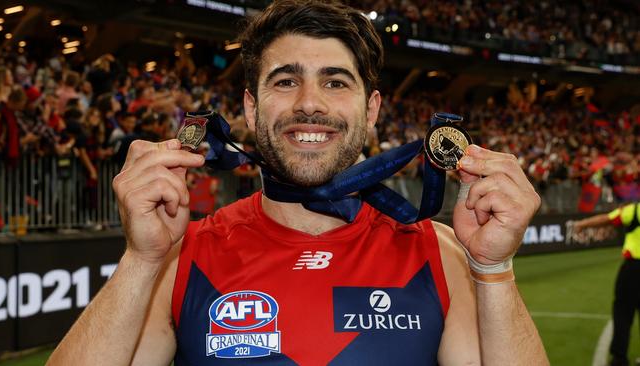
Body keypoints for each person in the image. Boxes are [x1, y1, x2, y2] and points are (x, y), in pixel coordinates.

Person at [47, 1, 548, 365]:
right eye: (286, 81)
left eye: (335, 81)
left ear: (371, 110)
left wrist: (493, 268)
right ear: (250, 107)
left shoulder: (440, 254)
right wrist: (142, 260)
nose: (310, 102)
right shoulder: (182, 257)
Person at [574, 202, 640, 366]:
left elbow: (606, 219)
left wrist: (582, 224)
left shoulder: (634, 210)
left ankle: (619, 358)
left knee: (623, 312)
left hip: (633, 269)